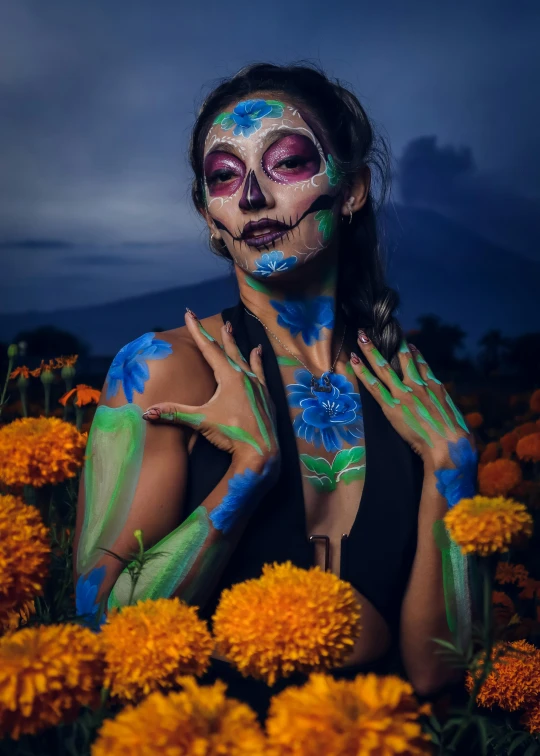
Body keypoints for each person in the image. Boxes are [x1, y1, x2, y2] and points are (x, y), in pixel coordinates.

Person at [73, 62, 477, 716]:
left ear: (351, 191)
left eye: (287, 162)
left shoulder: (404, 385)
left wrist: (453, 472)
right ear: (210, 217)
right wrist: (245, 475)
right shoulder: (160, 370)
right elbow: (99, 628)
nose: (253, 196)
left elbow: (439, 671)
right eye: (225, 176)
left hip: (375, 733)